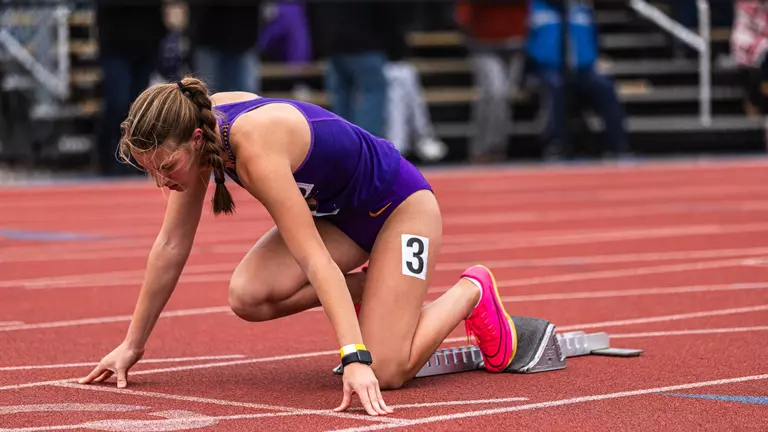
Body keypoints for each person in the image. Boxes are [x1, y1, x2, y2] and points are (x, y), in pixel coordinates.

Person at [77, 76, 517, 416]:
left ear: (194, 139)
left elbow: (312, 257)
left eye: (167, 168)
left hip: (402, 209)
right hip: (341, 218)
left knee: (387, 371)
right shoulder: (193, 132)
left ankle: (471, 292)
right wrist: (132, 345)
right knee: (247, 295)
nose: (162, 181)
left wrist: (354, 357)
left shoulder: (252, 145)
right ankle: (373, 291)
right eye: (149, 172)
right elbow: (171, 244)